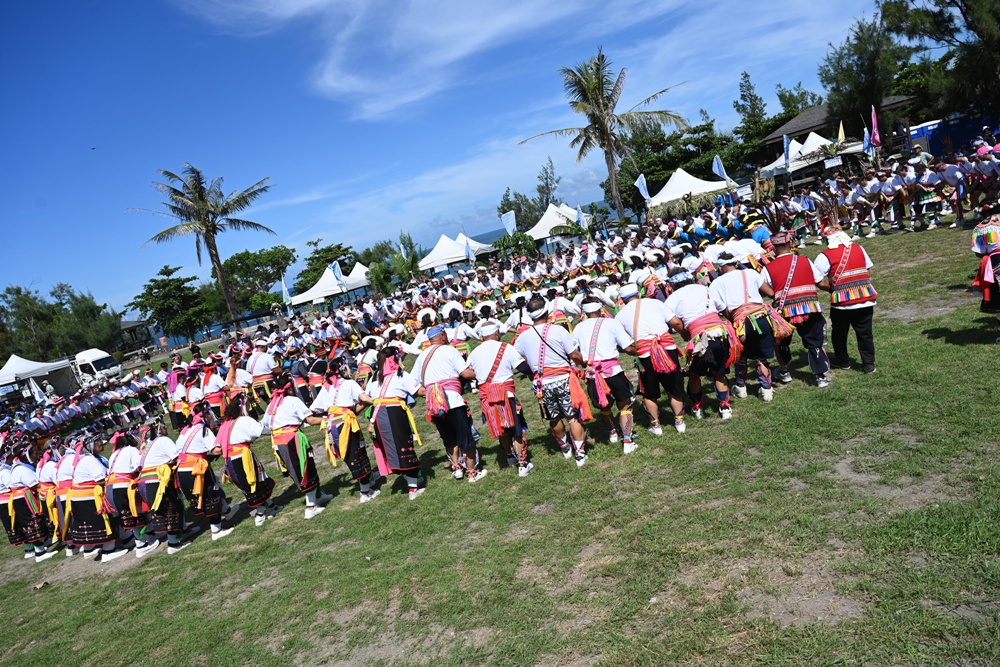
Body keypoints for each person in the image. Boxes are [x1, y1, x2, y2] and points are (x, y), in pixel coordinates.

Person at [513, 295, 591, 467]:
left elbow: (516, 359)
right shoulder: (558, 330)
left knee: (554, 418)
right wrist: (585, 362)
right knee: (572, 417)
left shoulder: (523, 337)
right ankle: (579, 453)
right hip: (563, 379)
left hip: (542, 384)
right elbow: (574, 354)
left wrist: (532, 371)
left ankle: (565, 447)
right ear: (547, 311)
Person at [709, 253, 793, 402]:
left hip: (741, 322)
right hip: (763, 318)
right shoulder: (751, 273)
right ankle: (767, 390)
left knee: (741, 356)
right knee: (762, 357)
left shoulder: (716, 284)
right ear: (736, 264)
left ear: (720, 267)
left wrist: (734, 318)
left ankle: (741, 388)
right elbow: (770, 292)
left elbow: (721, 308)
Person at [664, 269, 742, 420]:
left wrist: (684, 333)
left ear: (672, 285)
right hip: (720, 334)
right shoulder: (704, 289)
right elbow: (723, 308)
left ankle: (697, 408)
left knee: (694, 375)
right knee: (719, 373)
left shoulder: (672, 298)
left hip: (699, 339)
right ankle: (725, 408)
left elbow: (673, 322)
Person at [412, 325, 486, 482]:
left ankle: (457, 467)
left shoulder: (421, 357)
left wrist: (430, 393)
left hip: (434, 405)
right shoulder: (450, 350)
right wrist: (484, 375)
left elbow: (413, 384)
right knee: (465, 436)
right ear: (442, 336)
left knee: (449, 437)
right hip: (453, 401)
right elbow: (465, 373)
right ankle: (472, 472)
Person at [761, 231, 832, 387]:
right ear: (790, 244)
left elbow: (765, 290)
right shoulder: (805, 261)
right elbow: (821, 282)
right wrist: (832, 289)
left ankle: (784, 371)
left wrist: (776, 294)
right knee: (814, 342)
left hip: (784, 312)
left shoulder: (768, 268)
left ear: (773, 247)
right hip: (809, 308)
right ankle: (820, 376)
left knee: (781, 342)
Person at [310, 357, 381, 502]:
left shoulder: (327, 386)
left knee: (350, 456)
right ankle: (365, 492)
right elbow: (365, 399)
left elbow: (314, 408)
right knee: (357, 454)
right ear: (342, 369)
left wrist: (331, 414)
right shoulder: (349, 383)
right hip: (346, 424)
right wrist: (377, 401)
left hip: (332, 425)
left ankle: (368, 480)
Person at [261, 373, 332, 519]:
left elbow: (265, 425)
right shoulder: (293, 400)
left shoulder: (272, 404)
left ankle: (318, 496)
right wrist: (328, 419)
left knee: (304, 468)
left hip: (278, 442)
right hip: (291, 441)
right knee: (305, 470)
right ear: (290, 388)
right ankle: (310, 507)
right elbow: (311, 420)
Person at [467, 321, 533, 476]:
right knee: (516, 430)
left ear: (482, 336)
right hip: (506, 395)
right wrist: (535, 372)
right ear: (497, 333)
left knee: (501, 429)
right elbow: (522, 367)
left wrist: (481, 377)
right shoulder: (506, 347)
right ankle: (522, 465)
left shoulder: (474, 353)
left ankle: (509, 457)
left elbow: (466, 373)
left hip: (487, 397)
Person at [574, 297, 638, 449]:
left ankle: (612, 432)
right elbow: (628, 348)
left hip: (593, 375)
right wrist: (639, 351)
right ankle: (627, 441)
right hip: (613, 372)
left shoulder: (578, 328)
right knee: (625, 406)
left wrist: (584, 364)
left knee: (604, 406)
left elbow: (574, 353)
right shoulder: (612, 323)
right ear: (600, 308)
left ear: (584, 312)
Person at [365, 346, 428, 499]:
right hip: (393, 413)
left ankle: (412, 479)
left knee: (390, 449)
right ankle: (413, 489)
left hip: (377, 415)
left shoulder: (375, 377)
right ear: (394, 359)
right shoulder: (400, 374)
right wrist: (436, 393)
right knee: (403, 447)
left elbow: (367, 397)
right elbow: (420, 391)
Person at [814, 232, 878, 373]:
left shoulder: (824, 255)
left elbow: (818, 279)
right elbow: (867, 271)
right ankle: (869, 364)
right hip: (864, 297)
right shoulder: (859, 248)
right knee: (865, 333)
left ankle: (843, 361)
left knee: (839, 333)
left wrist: (832, 288)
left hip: (842, 302)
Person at [214, 393, 280, 526]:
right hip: (243, 459)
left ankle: (271, 506)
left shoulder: (226, 424)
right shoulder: (244, 420)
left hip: (231, 461)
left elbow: (217, 446)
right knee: (254, 484)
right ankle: (260, 514)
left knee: (256, 483)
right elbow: (261, 431)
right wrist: (278, 430)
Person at [174, 404, 236, 540]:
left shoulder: (185, 430)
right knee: (211, 496)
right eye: (209, 414)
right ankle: (216, 531)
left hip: (182, 471)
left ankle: (227, 511)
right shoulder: (203, 430)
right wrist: (231, 443)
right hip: (196, 469)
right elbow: (216, 450)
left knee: (213, 490)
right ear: (205, 415)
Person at [65, 435, 129, 561]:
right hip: (89, 498)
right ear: (90, 445)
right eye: (98, 441)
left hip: (82, 499)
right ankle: (108, 551)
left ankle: (114, 544)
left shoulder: (84, 459)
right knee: (105, 521)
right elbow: (100, 479)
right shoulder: (89, 460)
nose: (101, 443)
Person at [137, 422, 191, 554]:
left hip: (145, 481)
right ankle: (173, 544)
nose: (167, 428)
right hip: (158, 480)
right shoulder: (163, 440)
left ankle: (181, 533)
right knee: (170, 509)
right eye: (164, 426)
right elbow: (177, 457)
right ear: (159, 429)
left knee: (168, 509)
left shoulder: (147, 444)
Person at [105, 430, 159, 557]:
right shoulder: (131, 450)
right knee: (137, 512)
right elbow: (138, 466)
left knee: (130, 515)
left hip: (112, 488)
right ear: (130, 439)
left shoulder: (114, 453)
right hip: (126, 486)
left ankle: (148, 537)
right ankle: (141, 545)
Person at [6, 444, 57, 562]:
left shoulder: (18, 467)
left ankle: (41, 548)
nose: (36, 455)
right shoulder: (22, 469)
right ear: (27, 456)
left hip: (22, 498)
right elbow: (35, 485)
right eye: (34, 453)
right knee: (33, 523)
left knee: (33, 523)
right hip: (24, 499)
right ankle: (40, 552)